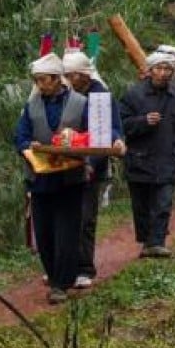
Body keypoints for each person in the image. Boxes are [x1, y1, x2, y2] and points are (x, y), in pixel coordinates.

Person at [16, 54, 103, 304]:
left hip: (70, 178)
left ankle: (61, 284)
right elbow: (21, 135)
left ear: (57, 79)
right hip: (40, 179)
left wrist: (77, 146)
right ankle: (52, 274)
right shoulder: (31, 106)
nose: (41, 85)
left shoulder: (81, 102)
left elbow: (94, 136)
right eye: (37, 81)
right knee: (43, 233)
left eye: (44, 80)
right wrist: (27, 148)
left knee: (66, 232)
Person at [62, 51, 124, 290]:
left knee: (85, 218)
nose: (67, 80)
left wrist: (90, 161)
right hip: (64, 163)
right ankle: (63, 266)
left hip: (91, 165)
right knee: (65, 217)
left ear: (83, 75)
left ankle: (84, 267)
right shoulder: (66, 94)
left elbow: (108, 131)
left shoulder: (100, 97)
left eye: (70, 75)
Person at [121, 52, 175, 259]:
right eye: (158, 69)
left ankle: (157, 242)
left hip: (168, 158)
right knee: (141, 205)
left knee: (163, 203)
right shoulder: (133, 95)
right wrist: (142, 122)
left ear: (173, 71)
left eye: (167, 69)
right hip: (139, 158)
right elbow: (120, 125)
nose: (162, 73)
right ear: (150, 71)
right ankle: (146, 241)